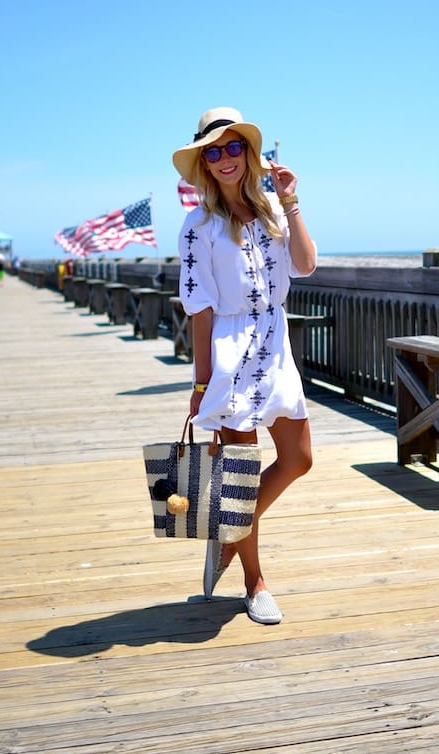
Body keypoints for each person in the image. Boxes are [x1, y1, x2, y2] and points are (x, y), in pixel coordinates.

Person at [173, 107, 317, 625]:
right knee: (240, 475)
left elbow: (304, 264)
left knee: (299, 457)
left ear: (248, 153)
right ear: (204, 166)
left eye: (233, 147)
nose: (224, 159)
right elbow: (201, 309)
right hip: (231, 349)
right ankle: (255, 583)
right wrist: (200, 381)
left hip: (275, 343)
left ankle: (229, 531)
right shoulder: (198, 227)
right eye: (212, 152)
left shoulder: (275, 211)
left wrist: (292, 199)